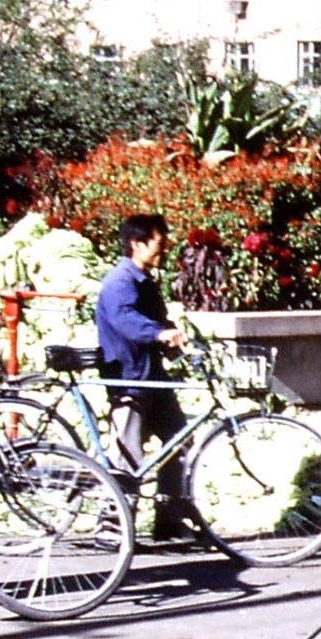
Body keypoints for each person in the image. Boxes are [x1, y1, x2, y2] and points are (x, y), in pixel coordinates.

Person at [95, 214, 190, 540]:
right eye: (159, 245)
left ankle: (168, 521)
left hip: (154, 376)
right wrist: (160, 334)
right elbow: (126, 321)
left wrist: (175, 342)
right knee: (127, 455)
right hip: (129, 377)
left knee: (180, 441)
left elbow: (159, 322)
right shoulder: (119, 282)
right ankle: (112, 526)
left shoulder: (146, 281)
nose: (164, 251)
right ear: (138, 244)